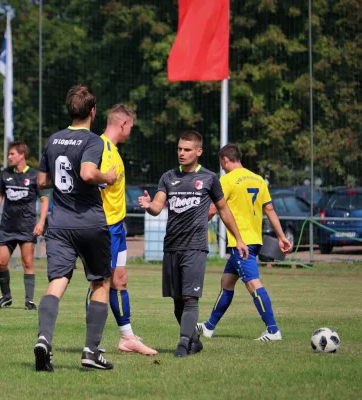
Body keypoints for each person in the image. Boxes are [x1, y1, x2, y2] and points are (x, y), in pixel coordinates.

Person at [138, 131, 249, 358]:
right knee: (177, 300)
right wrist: (149, 205)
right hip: (171, 246)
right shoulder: (168, 177)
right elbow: (158, 206)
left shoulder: (209, 178)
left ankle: (182, 344)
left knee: (190, 297)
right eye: (179, 148)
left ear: (198, 152)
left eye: (187, 149)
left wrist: (238, 239)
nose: (181, 153)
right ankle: (194, 341)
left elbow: (224, 210)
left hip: (195, 246)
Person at [33, 84, 117, 372]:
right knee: (101, 282)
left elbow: (41, 182)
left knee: (57, 281)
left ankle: (44, 339)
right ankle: (91, 352)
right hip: (90, 222)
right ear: (93, 112)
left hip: (59, 223)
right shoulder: (93, 141)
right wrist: (109, 176)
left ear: (70, 110)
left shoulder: (53, 140)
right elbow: (87, 173)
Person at [197, 144, 292, 341]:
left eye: (221, 163)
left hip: (242, 243)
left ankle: (273, 330)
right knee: (227, 282)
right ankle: (209, 326)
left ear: (225, 160)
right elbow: (270, 210)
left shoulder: (227, 180)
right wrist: (282, 237)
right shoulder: (258, 179)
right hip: (254, 240)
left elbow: (214, 209)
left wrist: (193, 225)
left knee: (252, 284)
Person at [86, 104, 157, 355]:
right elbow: (93, 182)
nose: (131, 132)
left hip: (118, 227)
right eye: (131, 127)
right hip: (105, 228)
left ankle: (126, 337)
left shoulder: (113, 150)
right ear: (123, 124)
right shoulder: (102, 148)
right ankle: (92, 342)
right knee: (100, 283)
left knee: (120, 280)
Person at [0, 141, 49, 310]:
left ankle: (29, 300)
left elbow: (44, 200)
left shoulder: (35, 176)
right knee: (1, 262)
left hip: (26, 226)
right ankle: (6, 297)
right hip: (7, 227)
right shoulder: (5, 174)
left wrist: (41, 222)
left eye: (12, 154)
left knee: (27, 263)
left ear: (22, 155)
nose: (9, 157)